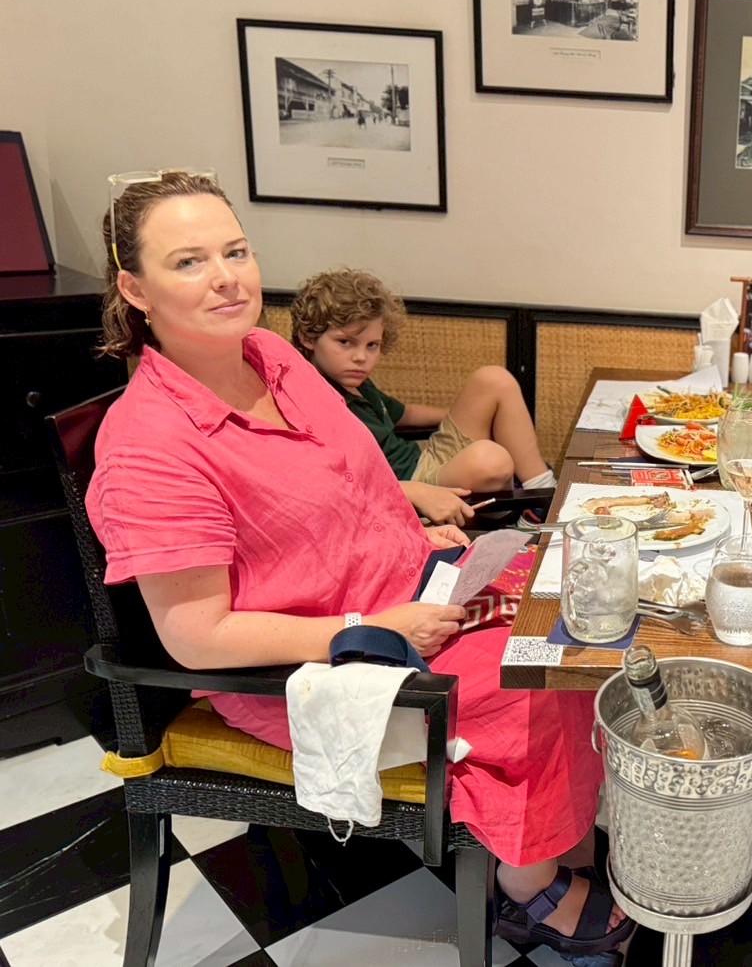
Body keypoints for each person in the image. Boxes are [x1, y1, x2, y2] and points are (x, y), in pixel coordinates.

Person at [88, 171, 632, 962]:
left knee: (581, 611)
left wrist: (413, 532)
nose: (227, 277)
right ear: (135, 289)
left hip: (406, 592)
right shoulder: (150, 443)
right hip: (313, 665)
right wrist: (369, 626)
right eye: (189, 261)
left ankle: (553, 832)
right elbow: (197, 637)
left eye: (235, 251)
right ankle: (527, 887)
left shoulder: (271, 355)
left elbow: (352, 481)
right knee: (540, 674)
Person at [290, 268, 555, 526]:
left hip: (426, 457)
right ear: (308, 337)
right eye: (345, 342)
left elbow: (407, 414)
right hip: (412, 489)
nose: (361, 357)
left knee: (493, 379)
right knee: (491, 459)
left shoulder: (356, 382)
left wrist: (470, 415)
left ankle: (547, 494)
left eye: (372, 345)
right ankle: (529, 515)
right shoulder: (312, 396)